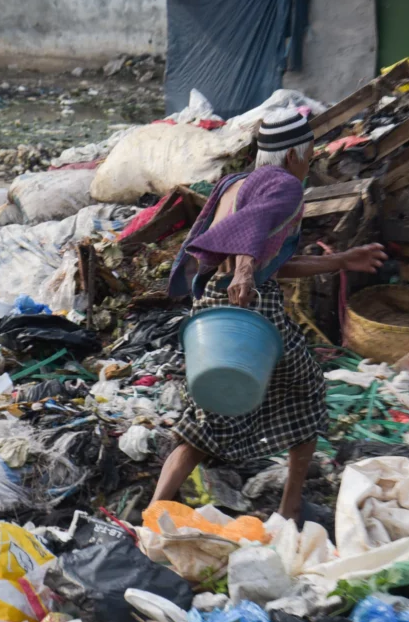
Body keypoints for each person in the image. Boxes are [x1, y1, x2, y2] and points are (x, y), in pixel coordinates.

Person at [153, 109, 387, 521]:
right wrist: (244, 272)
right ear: (295, 155)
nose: (312, 157)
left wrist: (343, 260)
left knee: (210, 409)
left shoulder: (238, 182)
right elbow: (252, 235)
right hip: (251, 307)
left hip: (212, 305)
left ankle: (156, 511)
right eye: (310, 150)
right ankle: (289, 508)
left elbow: (269, 260)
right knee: (306, 393)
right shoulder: (284, 185)